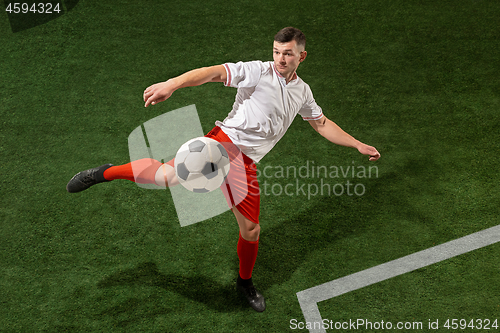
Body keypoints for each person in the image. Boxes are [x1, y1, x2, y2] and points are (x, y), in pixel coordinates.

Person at [66, 27, 381, 312]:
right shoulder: (258, 72)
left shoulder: (303, 92)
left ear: (302, 55)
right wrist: (172, 84)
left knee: (252, 230)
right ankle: (103, 173)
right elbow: (212, 73)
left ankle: (244, 282)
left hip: (245, 164)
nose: (280, 59)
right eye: (276, 51)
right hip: (222, 144)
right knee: (165, 178)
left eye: (287, 53)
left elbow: (321, 123)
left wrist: (356, 144)